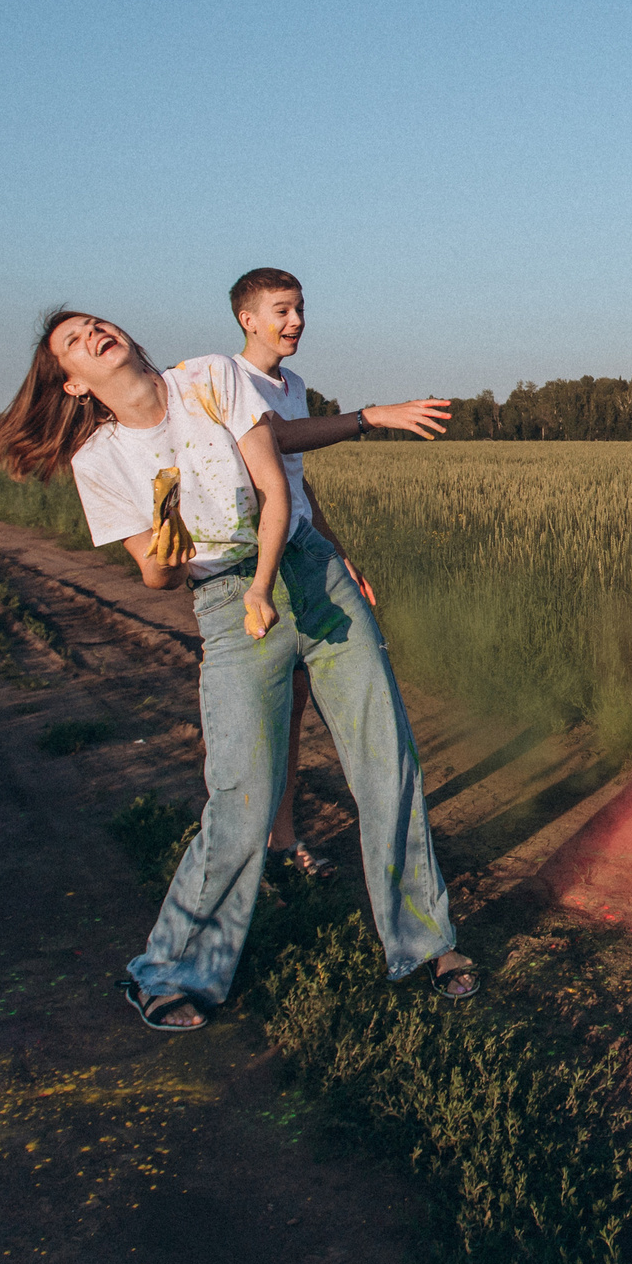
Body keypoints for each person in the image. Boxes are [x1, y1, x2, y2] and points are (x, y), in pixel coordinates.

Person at [0, 311, 475, 1033]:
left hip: (307, 573)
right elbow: (152, 573)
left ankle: (426, 944)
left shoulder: (210, 378)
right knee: (241, 793)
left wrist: (264, 583)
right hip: (223, 600)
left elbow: (276, 491)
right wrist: (168, 546)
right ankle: (173, 970)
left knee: (385, 761)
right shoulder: (101, 461)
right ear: (73, 382)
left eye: (94, 324)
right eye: (73, 342)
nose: (92, 335)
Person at [224, 266, 452, 882]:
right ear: (248, 319)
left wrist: (339, 552)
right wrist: (370, 416)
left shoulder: (292, 381)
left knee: (304, 703)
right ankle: (257, 847)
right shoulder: (230, 381)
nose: (295, 321)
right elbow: (274, 439)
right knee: (265, 719)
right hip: (257, 568)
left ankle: (284, 838)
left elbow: (296, 481)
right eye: (281, 310)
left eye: (300, 309)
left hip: (309, 554)